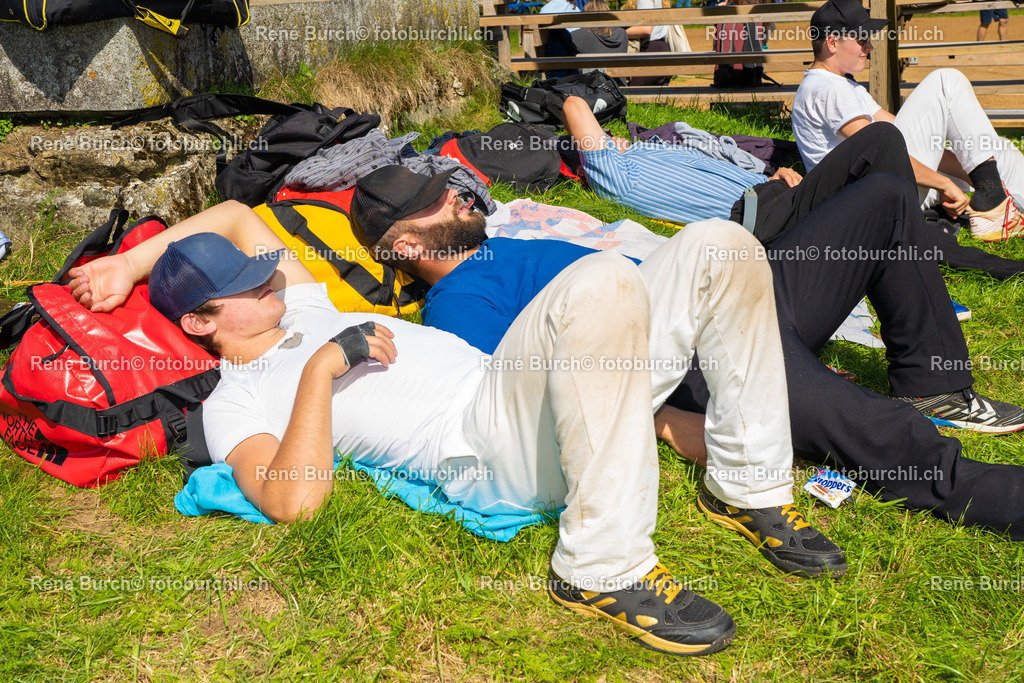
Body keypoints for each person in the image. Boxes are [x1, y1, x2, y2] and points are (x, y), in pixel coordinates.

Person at [66, 199, 843, 657]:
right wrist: (319, 373)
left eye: (260, 271)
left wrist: (131, 266)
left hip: (528, 387)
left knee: (720, 244)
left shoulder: (305, 305)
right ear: (202, 322)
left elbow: (237, 215)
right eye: (242, 286)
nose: (265, 277)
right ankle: (600, 567)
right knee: (599, 280)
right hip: (484, 443)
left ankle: (748, 485)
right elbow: (291, 501)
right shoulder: (238, 396)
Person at [350, 162, 1024, 542]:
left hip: (727, 290)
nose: (453, 195)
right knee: (871, 427)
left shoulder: (504, 243)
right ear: (407, 246)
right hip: (692, 363)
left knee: (882, 193)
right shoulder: (458, 306)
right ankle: (986, 490)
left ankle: (932, 379)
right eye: (432, 202)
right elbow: (551, 385)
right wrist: (670, 424)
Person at [560, 93, 1024, 280]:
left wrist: (773, 174)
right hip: (757, 220)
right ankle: (987, 252)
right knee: (880, 141)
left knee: (880, 194)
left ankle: (959, 233)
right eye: (604, 140)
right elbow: (574, 102)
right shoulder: (613, 175)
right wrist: (603, 142)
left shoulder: (648, 154)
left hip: (770, 194)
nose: (620, 138)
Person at [792, 0, 1024, 241]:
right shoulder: (825, 88)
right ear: (832, 42)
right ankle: (993, 208)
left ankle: (999, 205)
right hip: (869, 202)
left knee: (998, 151)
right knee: (945, 82)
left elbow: (899, 135)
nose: (870, 46)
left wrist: (979, 177)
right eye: (862, 39)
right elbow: (879, 151)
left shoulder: (844, 85)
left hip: (886, 186)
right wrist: (943, 183)